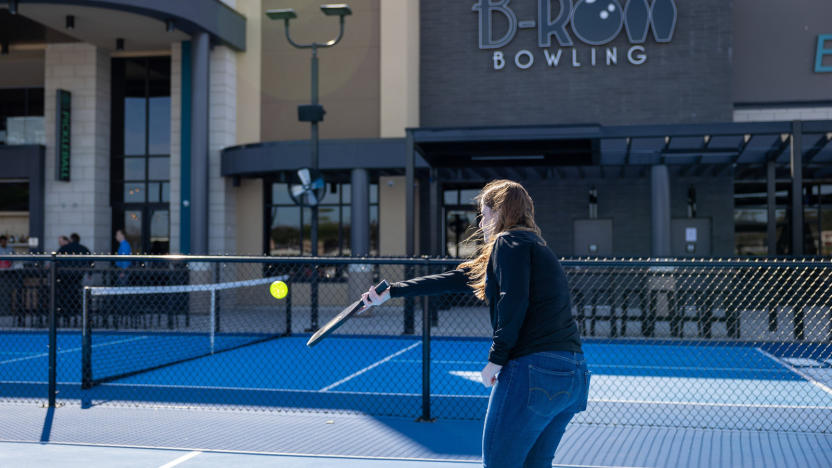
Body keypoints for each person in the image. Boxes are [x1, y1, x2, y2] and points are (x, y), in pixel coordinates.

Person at [361, 180, 590, 468]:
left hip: (534, 372)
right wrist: (392, 291)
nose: (480, 222)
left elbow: (513, 299)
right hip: (574, 375)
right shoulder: (534, 247)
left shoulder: (508, 243)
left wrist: (497, 358)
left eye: (484, 213)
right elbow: (454, 280)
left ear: (499, 213)